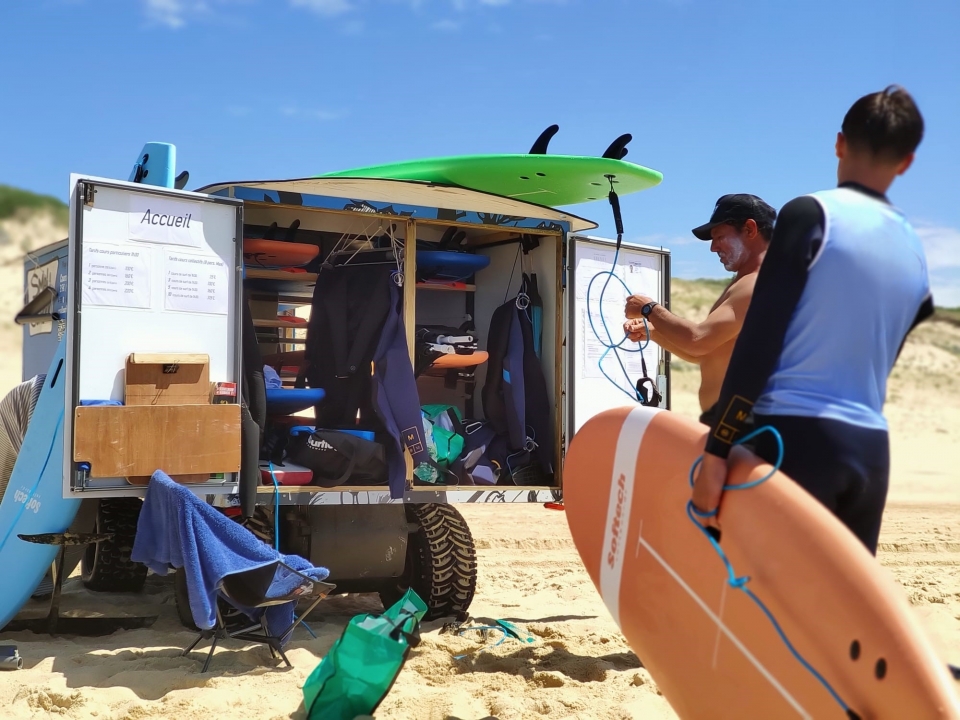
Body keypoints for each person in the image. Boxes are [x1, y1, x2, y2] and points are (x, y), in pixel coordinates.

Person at [692, 85, 933, 555]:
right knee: (834, 611)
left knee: (761, 599)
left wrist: (718, 449)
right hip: (869, 453)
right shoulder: (915, 248)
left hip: (795, 439)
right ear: (906, 163)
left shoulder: (811, 215)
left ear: (839, 143)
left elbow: (760, 337)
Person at [623, 194, 777, 426]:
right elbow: (705, 353)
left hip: (747, 429)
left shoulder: (757, 284)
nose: (713, 248)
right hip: (734, 427)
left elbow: (698, 340)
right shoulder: (745, 282)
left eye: (720, 237)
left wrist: (648, 308)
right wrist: (653, 332)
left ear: (749, 229)